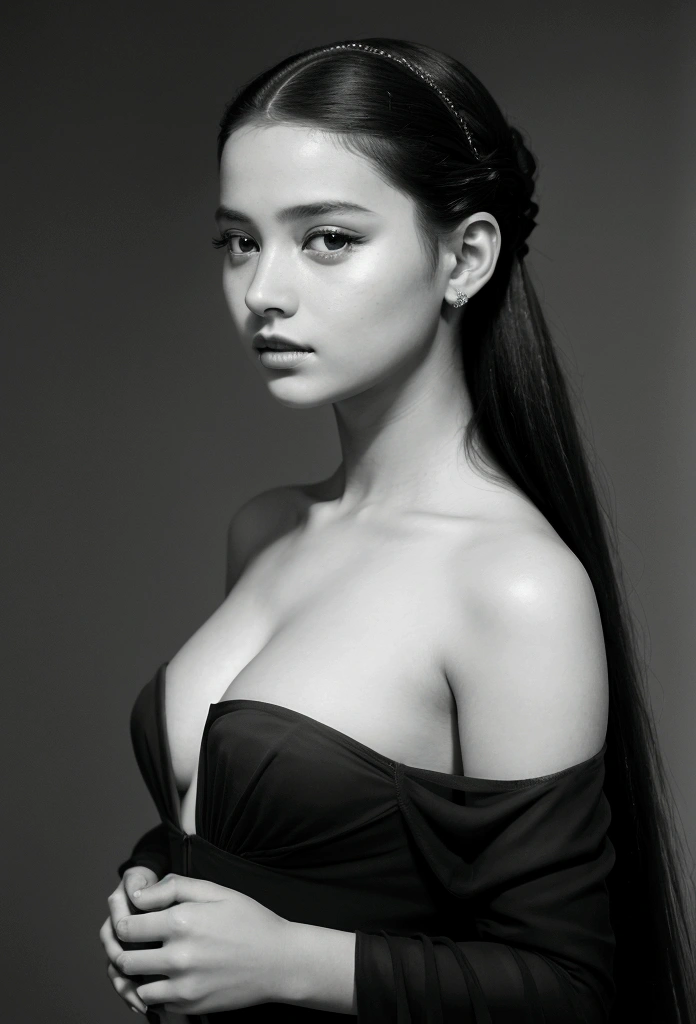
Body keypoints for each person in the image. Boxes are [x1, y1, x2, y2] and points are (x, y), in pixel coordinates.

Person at [99, 37, 696, 1022]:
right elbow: (284, 843)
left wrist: (291, 962)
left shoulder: (512, 584)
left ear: (463, 256)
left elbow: (572, 991)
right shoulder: (266, 529)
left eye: (326, 238)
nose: (263, 292)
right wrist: (154, 889)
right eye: (239, 241)